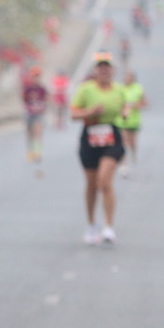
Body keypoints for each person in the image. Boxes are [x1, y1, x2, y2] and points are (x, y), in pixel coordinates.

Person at [70, 52, 128, 245]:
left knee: (104, 181)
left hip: (111, 137)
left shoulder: (119, 90)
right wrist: (90, 111)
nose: (103, 71)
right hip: (90, 136)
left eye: (107, 68)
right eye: (100, 68)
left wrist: (126, 112)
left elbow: (125, 107)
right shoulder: (86, 90)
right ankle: (91, 223)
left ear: (112, 71)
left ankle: (109, 226)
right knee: (92, 184)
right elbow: (73, 113)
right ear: (95, 71)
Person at [115, 70, 147, 176]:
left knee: (132, 142)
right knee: (123, 142)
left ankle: (133, 152)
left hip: (133, 120)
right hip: (122, 120)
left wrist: (135, 105)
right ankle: (124, 164)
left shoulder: (138, 89)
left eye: (129, 77)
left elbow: (145, 103)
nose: (127, 79)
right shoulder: (119, 89)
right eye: (126, 77)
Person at [21, 66, 49, 165]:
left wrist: (43, 107)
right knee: (30, 133)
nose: (35, 78)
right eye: (34, 76)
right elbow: (24, 100)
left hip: (39, 114)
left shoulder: (42, 89)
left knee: (38, 131)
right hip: (29, 113)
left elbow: (46, 99)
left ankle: (38, 152)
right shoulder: (27, 89)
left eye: (37, 76)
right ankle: (30, 152)